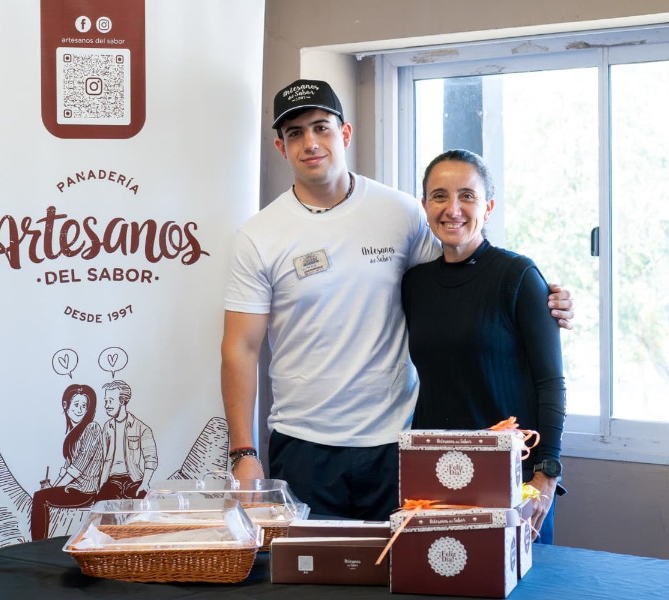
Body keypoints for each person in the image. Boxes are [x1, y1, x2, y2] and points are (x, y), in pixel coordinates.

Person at [221, 78, 574, 521]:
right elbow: (241, 348)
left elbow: (463, 266)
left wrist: (541, 294)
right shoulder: (258, 235)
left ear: (344, 133)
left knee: (399, 565)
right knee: (311, 566)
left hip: (398, 441)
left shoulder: (401, 211)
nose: (310, 143)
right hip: (304, 443)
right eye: (295, 133)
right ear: (281, 146)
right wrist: (243, 452)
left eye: (321, 127)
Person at [401, 149, 566, 543]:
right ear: (425, 206)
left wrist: (546, 473)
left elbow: (551, 382)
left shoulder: (518, 276)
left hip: (514, 476)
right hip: (438, 472)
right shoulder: (414, 284)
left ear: (488, 207)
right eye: (439, 196)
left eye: (467, 196)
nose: (452, 209)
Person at [31, 384, 103, 541]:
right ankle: (39, 541)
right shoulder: (74, 433)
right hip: (73, 488)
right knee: (41, 495)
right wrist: (53, 486)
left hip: (84, 491)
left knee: (40, 498)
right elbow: (67, 468)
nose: (80, 410)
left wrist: (54, 488)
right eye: (76, 405)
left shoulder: (92, 428)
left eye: (84, 406)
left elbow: (77, 469)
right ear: (66, 405)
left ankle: (38, 544)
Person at [96, 379, 158, 500]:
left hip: (134, 479)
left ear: (122, 401)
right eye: (105, 401)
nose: (106, 405)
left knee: (143, 504)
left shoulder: (141, 428)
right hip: (111, 480)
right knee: (100, 506)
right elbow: (102, 458)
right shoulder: (107, 427)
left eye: (110, 401)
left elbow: (151, 458)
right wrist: (100, 484)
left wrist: (145, 483)